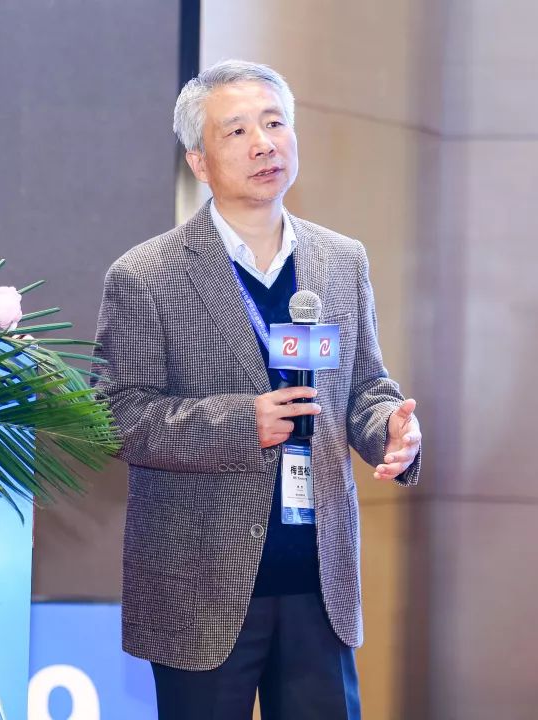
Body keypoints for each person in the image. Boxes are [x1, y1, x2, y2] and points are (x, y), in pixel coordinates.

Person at [94, 59, 422, 720]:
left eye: (275, 123)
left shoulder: (340, 260)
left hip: (317, 582)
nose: (264, 143)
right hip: (200, 587)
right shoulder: (145, 275)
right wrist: (243, 422)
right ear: (199, 161)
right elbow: (118, 418)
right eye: (238, 131)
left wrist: (390, 427)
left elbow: (363, 387)